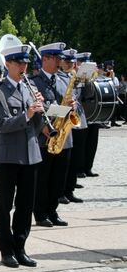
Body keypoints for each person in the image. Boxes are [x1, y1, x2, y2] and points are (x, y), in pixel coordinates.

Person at [0, 44, 44, 268]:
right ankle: (6, 249)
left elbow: (36, 126)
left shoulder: (29, 88)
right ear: (8, 64)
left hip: (31, 154)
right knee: (5, 205)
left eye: (25, 64)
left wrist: (40, 112)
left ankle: (20, 246)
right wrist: (27, 114)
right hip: (9, 156)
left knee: (25, 204)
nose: (23, 67)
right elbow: (0, 125)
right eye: (19, 63)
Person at [30, 42, 74, 228]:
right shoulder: (34, 82)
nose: (59, 62)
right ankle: (40, 213)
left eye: (59, 59)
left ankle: (53, 210)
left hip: (63, 136)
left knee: (58, 178)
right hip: (45, 136)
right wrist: (42, 128)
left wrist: (73, 106)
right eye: (56, 58)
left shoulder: (64, 79)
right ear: (45, 59)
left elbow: (73, 102)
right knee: (43, 178)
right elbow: (33, 108)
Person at [60, 49, 85, 204]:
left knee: (75, 157)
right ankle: (61, 191)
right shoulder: (60, 78)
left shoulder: (75, 77)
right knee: (64, 162)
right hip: (64, 120)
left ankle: (70, 189)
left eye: (72, 62)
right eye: (68, 62)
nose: (71, 64)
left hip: (76, 119)